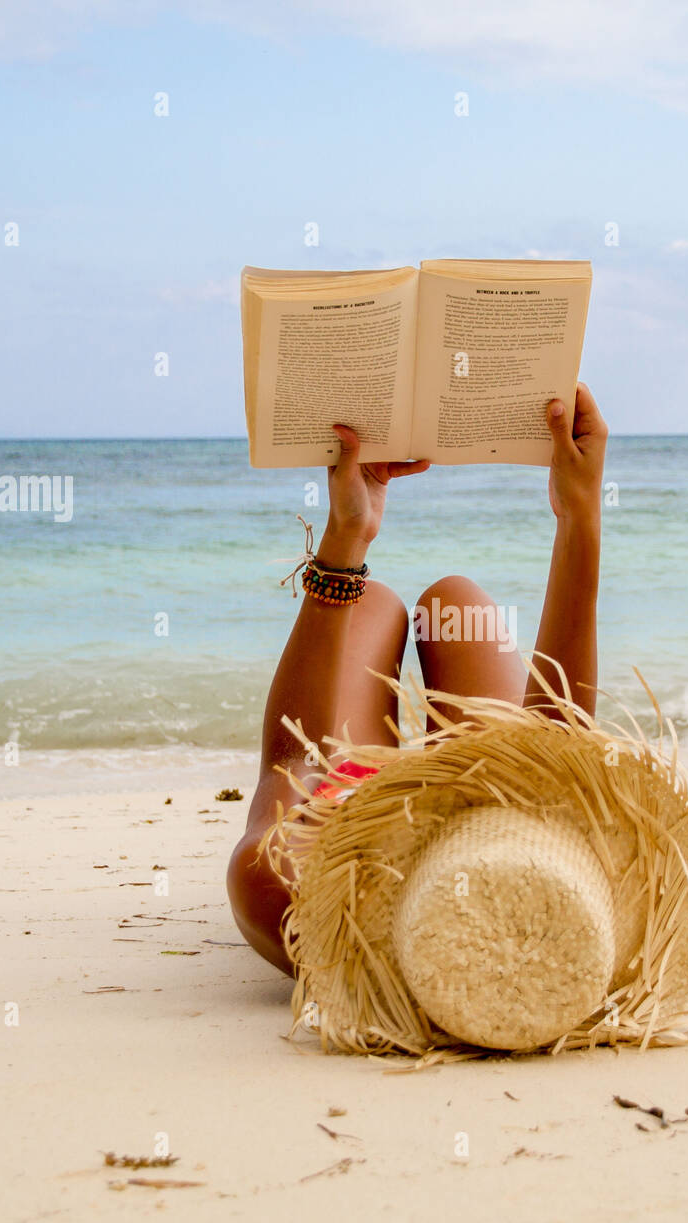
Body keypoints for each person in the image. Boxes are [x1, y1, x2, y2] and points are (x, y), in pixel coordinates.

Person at [227, 383, 609, 975]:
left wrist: (347, 536)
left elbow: (295, 757)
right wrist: (579, 516)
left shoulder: (293, 901)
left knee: (377, 606)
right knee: (454, 605)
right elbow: (554, 753)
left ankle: (359, 567)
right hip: (475, 797)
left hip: (356, 798)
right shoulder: (520, 852)